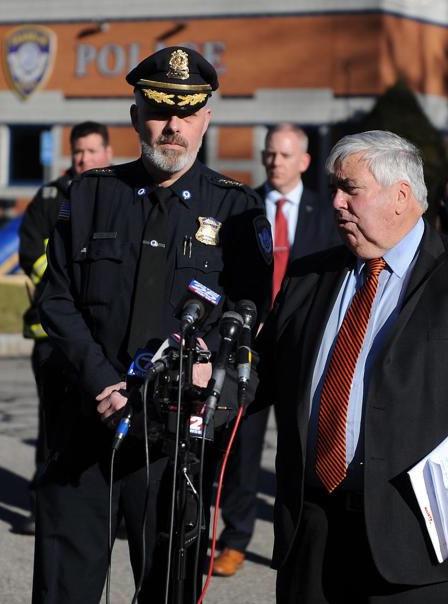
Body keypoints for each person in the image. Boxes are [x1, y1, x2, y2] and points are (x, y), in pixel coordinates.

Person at [252, 130, 448, 602]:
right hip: (314, 529)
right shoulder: (308, 276)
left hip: (421, 538)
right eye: (334, 189)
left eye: (351, 189)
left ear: (401, 196)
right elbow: (265, 376)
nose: (337, 203)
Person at [32, 46, 270, 603]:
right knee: (65, 585)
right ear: (137, 114)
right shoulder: (90, 195)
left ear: (206, 119)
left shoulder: (236, 209)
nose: (173, 127)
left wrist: (196, 369)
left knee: (167, 587)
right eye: (161, 110)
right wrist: (102, 382)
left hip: (171, 437)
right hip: (87, 422)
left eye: (187, 113)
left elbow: (246, 313)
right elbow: (56, 300)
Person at [213, 123, 338, 577]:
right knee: (242, 446)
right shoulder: (244, 208)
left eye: (284, 155)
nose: (274, 162)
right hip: (251, 346)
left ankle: (304, 538)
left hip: (303, 346)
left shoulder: (325, 214)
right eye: (269, 154)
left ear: (303, 161)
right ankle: (235, 537)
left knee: (304, 444)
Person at [15, 121, 113, 535]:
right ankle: (44, 507)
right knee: (52, 425)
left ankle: (111, 513)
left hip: (103, 338)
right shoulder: (51, 196)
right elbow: (30, 252)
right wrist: (68, 284)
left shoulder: (118, 193)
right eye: (78, 151)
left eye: (91, 151)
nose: (83, 158)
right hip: (52, 336)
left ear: (107, 152)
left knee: (108, 422)